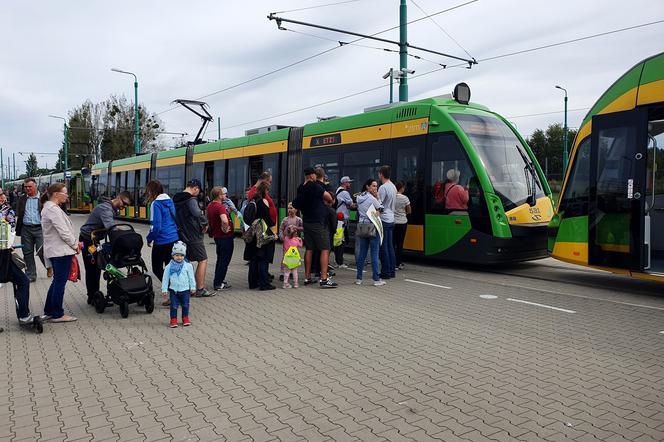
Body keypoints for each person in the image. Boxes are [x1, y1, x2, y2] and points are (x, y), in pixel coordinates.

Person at [79, 191, 132, 304]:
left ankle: (94, 295)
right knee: (91, 268)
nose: (124, 207)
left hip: (94, 240)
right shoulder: (106, 209)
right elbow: (111, 227)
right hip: (86, 240)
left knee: (96, 268)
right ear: (118, 197)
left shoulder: (111, 208)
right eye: (124, 203)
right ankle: (92, 297)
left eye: (127, 205)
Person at [292, 167, 337, 288]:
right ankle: (324, 279)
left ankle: (307, 277)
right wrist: (329, 201)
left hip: (307, 222)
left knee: (309, 249)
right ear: (312, 176)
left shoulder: (301, 187)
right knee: (325, 248)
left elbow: (296, 204)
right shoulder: (315, 186)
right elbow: (329, 198)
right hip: (318, 222)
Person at [41, 183, 79, 322]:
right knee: (60, 283)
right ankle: (57, 314)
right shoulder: (53, 209)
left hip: (56, 250)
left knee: (56, 281)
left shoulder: (51, 208)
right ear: (56, 194)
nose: (67, 195)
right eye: (65, 193)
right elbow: (63, 231)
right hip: (60, 251)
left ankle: (50, 310)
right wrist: (75, 245)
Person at [0, 188, 37, 328]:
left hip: (5, 253)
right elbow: (6, 228)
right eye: (0, 195)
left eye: (3, 193)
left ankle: (24, 315)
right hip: (2, 254)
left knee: (22, 281)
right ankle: (24, 315)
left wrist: (8, 244)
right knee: (22, 281)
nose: (3, 197)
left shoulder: (5, 210)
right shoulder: (5, 211)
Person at [173, 179, 212, 297]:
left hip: (182, 234)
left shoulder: (175, 199)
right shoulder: (191, 199)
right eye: (198, 191)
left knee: (185, 261)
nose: (198, 193)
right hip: (193, 234)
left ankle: (184, 288)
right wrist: (205, 223)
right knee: (203, 259)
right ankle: (199, 288)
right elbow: (197, 213)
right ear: (195, 188)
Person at [145, 180, 179, 284]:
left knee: (157, 269)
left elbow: (156, 226)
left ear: (151, 191)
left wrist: (149, 238)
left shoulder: (156, 204)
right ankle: (175, 295)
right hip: (174, 239)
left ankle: (171, 288)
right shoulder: (170, 200)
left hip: (162, 241)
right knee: (171, 268)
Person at [244, 182, 276, 290]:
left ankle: (252, 283)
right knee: (263, 258)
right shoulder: (263, 201)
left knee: (254, 259)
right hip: (262, 234)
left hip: (253, 233)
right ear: (265, 191)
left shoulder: (253, 200)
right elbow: (267, 219)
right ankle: (264, 284)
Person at [355, 179, 385, 286]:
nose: (375, 188)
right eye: (373, 186)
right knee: (374, 253)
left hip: (362, 225)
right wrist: (377, 197)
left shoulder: (359, 197)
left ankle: (359, 278)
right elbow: (381, 208)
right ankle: (376, 279)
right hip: (372, 225)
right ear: (367, 186)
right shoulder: (372, 198)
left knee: (362, 253)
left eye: (376, 186)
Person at [161, 241, 195, 328]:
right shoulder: (169, 266)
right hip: (174, 290)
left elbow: (191, 277)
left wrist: (193, 287)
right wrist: (164, 289)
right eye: (177, 255)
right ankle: (173, 319)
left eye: (182, 255)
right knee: (174, 306)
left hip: (185, 290)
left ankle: (185, 318)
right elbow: (165, 278)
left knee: (185, 305)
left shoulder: (188, 266)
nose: (179, 257)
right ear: (173, 255)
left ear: (184, 256)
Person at [16, 178, 43, 282]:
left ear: (35, 186)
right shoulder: (22, 198)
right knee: (27, 252)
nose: (27, 189)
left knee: (42, 251)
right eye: (25, 187)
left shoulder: (43, 198)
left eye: (29, 187)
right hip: (26, 229)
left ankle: (49, 267)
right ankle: (31, 275)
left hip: (40, 228)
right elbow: (19, 212)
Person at [207, 186, 234, 291]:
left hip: (217, 237)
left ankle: (219, 280)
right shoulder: (220, 206)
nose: (225, 195)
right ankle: (218, 283)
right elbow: (224, 220)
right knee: (224, 260)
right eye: (223, 194)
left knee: (220, 259)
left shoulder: (210, 206)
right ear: (219, 195)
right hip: (225, 237)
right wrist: (225, 228)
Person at [378, 165, 397, 280]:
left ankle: (385, 272)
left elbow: (379, 204)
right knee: (390, 246)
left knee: (383, 247)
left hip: (384, 219)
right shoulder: (393, 186)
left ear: (381, 174)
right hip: (391, 219)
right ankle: (391, 271)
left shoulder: (383, 187)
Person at [334, 176, 355, 268]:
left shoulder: (338, 190)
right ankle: (340, 262)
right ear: (345, 183)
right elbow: (351, 205)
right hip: (342, 220)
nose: (350, 184)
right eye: (349, 182)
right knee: (341, 241)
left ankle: (337, 260)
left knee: (337, 240)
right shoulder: (345, 192)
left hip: (337, 218)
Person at [278, 203, 303, 282]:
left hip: (294, 241)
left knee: (294, 256)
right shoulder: (285, 219)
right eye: (288, 208)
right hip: (286, 241)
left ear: (296, 210)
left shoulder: (299, 219)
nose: (289, 210)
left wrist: (297, 228)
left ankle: (292, 271)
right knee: (285, 256)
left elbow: (302, 228)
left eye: (291, 208)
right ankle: (283, 273)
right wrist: (281, 236)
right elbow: (281, 228)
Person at [393, 181, 411, 270]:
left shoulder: (392, 197)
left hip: (392, 222)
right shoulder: (405, 198)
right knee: (400, 244)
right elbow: (409, 211)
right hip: (402, 223)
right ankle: (398, 263)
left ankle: (391, 262)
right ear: (402, 188)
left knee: (392, 243)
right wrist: (403, 213)